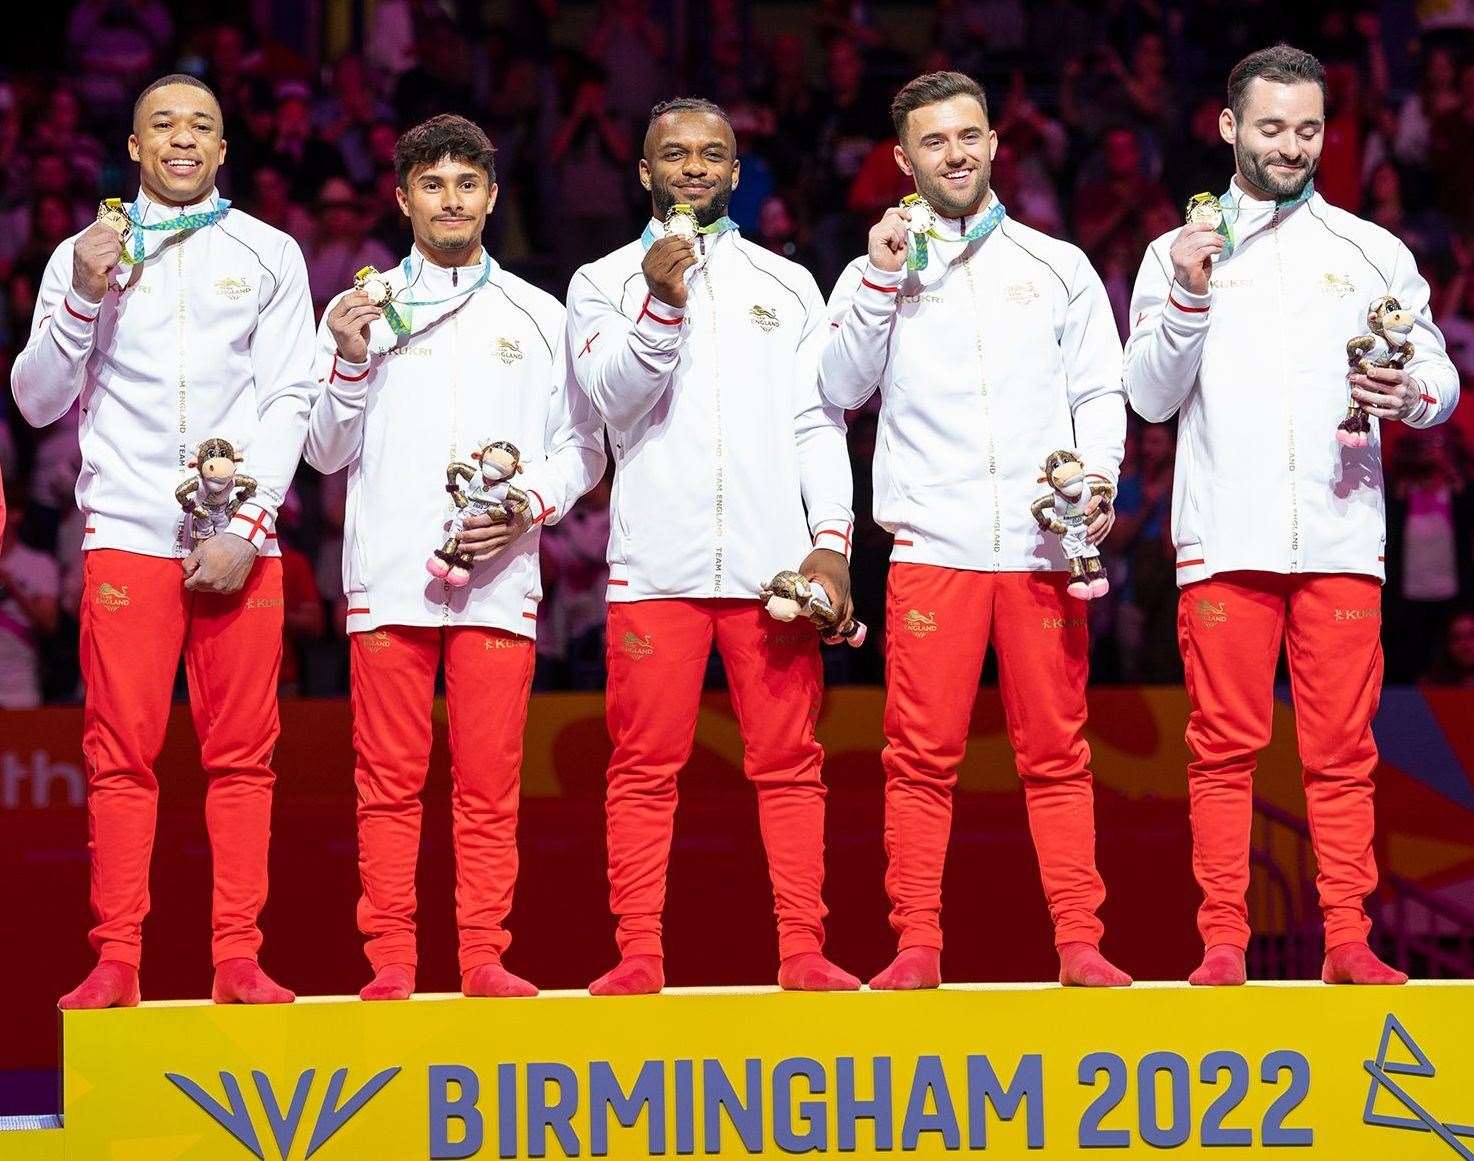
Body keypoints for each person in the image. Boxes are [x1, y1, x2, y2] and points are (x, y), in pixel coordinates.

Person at [1124, 45, 1459, 987]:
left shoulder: (1370, 251)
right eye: (1271, 128)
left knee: (1344, 750)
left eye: (1308, 129)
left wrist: (1409, 393)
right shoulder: (1175, 252)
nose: (1291, 146)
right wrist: (1189, 291)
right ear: (1228, 127)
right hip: (1225, 536)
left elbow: (1437, 373)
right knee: (1223, 750)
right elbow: (1148, 398)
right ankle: (1223, 939)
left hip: (1342, 532)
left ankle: (1348, 938)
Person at [11, 73, 317, 1008]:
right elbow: (35, 401)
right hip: (129, 532)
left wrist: (249, 526)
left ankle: (237, 959)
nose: (183, 140)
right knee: (119, 753)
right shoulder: (86, 253)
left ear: (225, 150)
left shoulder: (270, 254)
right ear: (135, 148)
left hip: (241, 541)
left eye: (202, 127)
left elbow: (289, 400)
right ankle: (116, 960)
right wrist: (82, 297)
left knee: (243, 756)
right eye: (163, 126)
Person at [820, 70, 1131, 990]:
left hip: (1043, 549)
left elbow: (1099, 394)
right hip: (933, 549)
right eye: (933, 141)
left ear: (995, 142)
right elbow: (837, 388)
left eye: (968, 136)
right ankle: (917, 944)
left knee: (1058, 750)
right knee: (917, 758)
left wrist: (1098, 486)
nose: (954, 154)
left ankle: (1080, 942)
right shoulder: (875, 269)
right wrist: (880, 279)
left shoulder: (1056, 265)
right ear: (903, 159)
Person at [307, 114, 604, 1000]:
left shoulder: (539, 315)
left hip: (500, 578)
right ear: (402, 198)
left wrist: (526, 506)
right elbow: (323, 451)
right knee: (388, 785)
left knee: (487, 784)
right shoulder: (358, 311)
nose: (450, 200)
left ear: (492, 197)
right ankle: (391, 961)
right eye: (431, 185)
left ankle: (482, 957)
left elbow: (583, 449)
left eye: (466, 184)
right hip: (389, 576)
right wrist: (351, 361)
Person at [567, 96, 859, 995]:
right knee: (645, 767)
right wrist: (659, 301)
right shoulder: (600, 281)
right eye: (674, 154)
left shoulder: (788, 283)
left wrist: (833, 543)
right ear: (644, 170)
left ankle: (804, 950)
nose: (693, 167)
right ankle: (640, 955)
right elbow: (611, 402)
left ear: (735, 172)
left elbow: (819, 423)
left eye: (712, 154)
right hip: (656, 565)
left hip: (773, 571)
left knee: (790, 763)